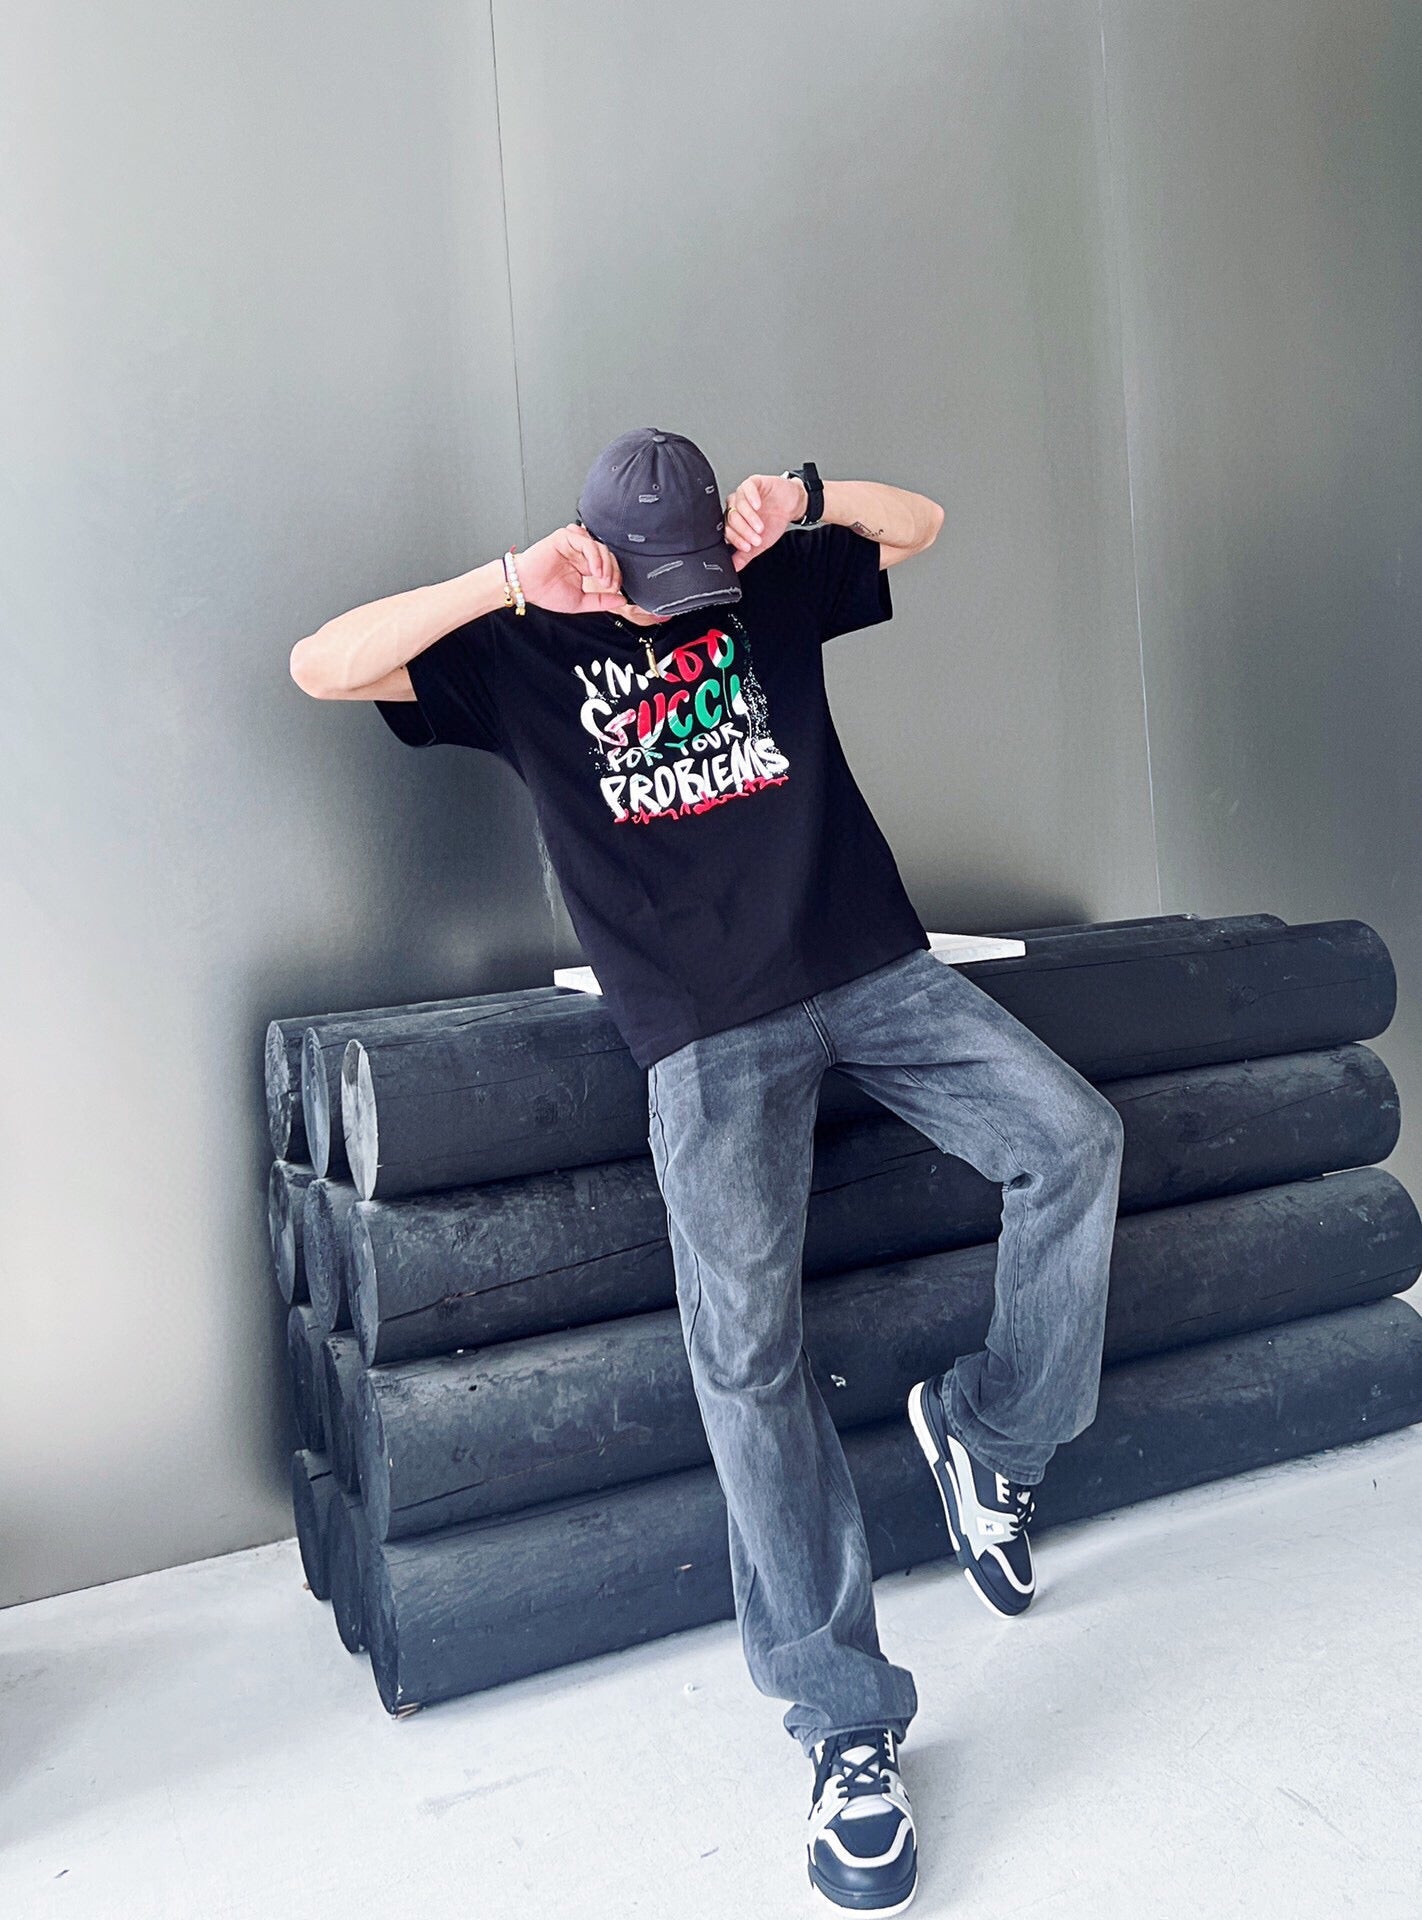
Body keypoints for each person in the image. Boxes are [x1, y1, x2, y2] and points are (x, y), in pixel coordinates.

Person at [289, 427, 1126, 1916]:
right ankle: (844, 1726)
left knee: (1074, 1140)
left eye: (699, 580)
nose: (681, 607)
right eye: (651, 584)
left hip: (873, 970)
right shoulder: (518, 649)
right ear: (591, 554)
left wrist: (801, 502)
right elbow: (321, 666)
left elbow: (924, 523)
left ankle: (993, 1434)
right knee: (744, 1358)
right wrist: (506, 580)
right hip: (702, 1034)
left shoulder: (765, 578)